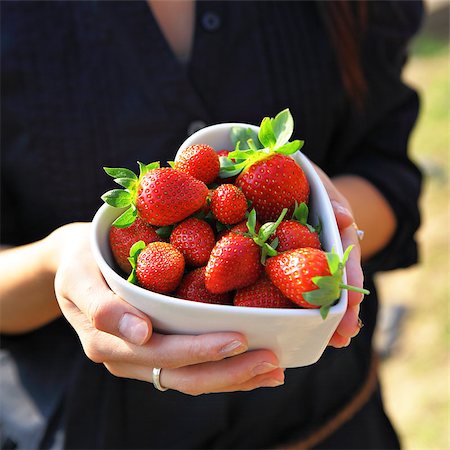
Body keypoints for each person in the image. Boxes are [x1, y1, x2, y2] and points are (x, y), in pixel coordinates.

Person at [0, 1, 423, 448]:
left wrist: (326, 221)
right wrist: (57, 259)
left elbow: (387, 173)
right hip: (89, 427)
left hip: (328, 424)